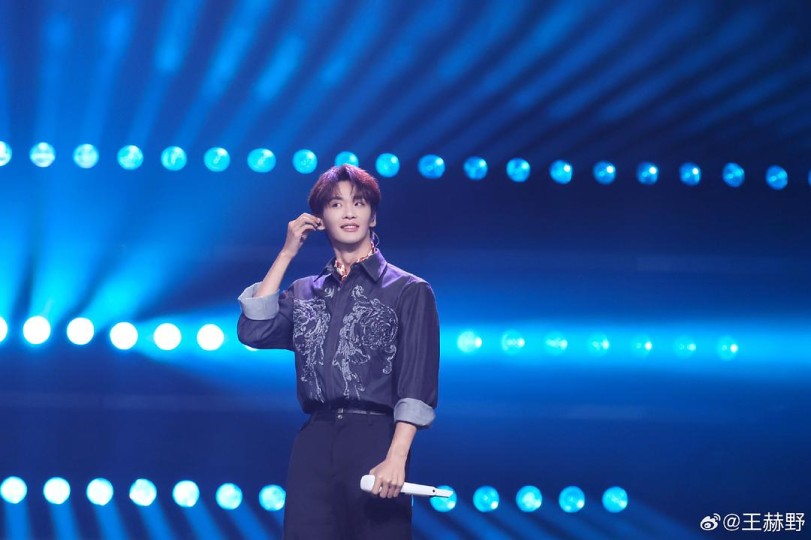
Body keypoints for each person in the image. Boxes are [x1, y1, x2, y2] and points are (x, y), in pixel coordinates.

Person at [237, 164, 440, 539]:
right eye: (336, 204)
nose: (349, 212)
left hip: (376, 436)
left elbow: (417, 382)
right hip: (315, 439)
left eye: (359, 203)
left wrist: (397, 457)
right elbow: (254, 330)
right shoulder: (304, 291)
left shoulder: (409, 290)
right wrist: (286, 253)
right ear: (319, 219)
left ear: (372, 216)